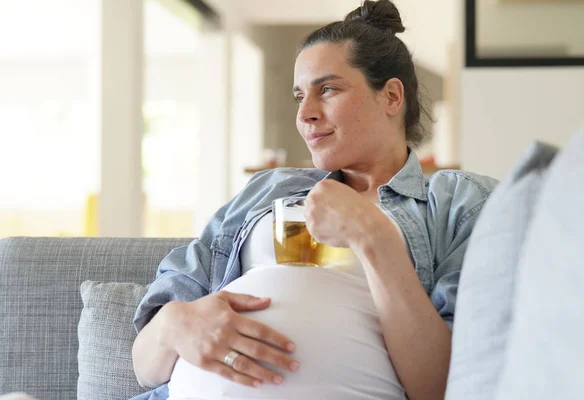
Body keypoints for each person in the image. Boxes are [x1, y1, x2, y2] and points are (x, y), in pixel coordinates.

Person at [131, 1, 498, 399]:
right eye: (298, 96)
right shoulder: (265, 191)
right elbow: (144, 368)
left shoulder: (461, 202)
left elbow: (443, 387)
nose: (305, 113)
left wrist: (373, 238)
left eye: (327, 89)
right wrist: (173, 324)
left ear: (392, 96)